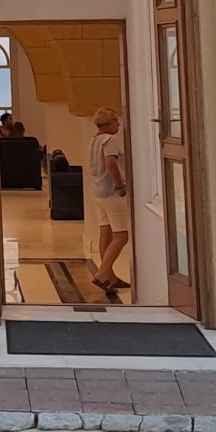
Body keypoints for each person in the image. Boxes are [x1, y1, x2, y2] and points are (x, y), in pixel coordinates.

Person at [87, 108, 131, 297]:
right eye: (116, 121)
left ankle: (109, 275)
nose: (118, 125)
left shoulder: (94, 140)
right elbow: (111, 164)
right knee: (121, 236)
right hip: (111, 193)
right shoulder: (109, 140)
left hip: (97, 192)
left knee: (105, 232)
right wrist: (120, 185)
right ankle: (103, 272)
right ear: (109, 123)